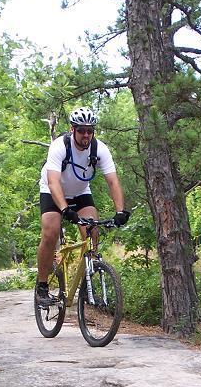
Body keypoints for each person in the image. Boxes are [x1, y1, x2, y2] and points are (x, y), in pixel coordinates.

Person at [36, 106, 130, 306]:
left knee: (92, 230)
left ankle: (90, 277)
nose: (86, 134)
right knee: (50, 233)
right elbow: (53, 182)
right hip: (53, 191)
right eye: (81, 130)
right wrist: (64, 209)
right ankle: (42, 286)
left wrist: (120, 211)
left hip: (80, 192)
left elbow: (113, 181)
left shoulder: (100, 149)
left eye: (90, 130)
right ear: (73, 130)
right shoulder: (60, 146)